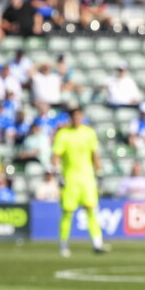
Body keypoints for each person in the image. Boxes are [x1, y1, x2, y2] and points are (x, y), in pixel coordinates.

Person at [52, 105, 109, 257]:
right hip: (70, 180)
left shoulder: (89, 133)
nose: (77, 118)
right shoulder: (63, 134)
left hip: (87, 180)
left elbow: (94, 154)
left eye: (79, 116)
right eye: (75, 116)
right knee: (67, 212)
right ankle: (63, 245)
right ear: (71, 118)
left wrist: (99, 173)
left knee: (92, 211)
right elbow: (56, 155)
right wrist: (57, 174)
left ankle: (97, 243)